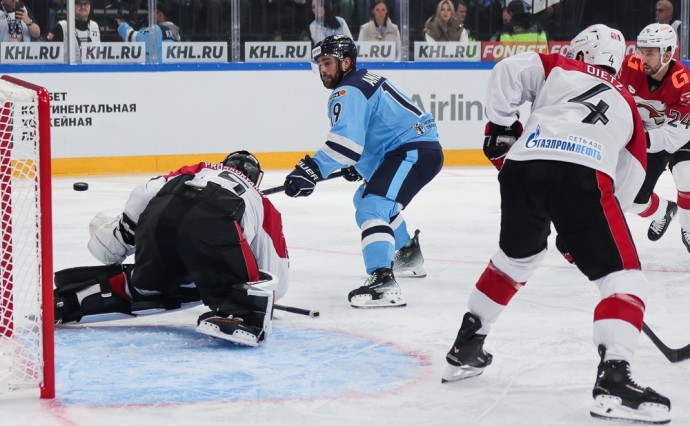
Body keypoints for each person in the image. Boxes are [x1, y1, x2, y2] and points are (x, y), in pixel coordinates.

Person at [441, 24, 671, 424]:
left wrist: (500, 126)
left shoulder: (557, 65)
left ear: (581, 53)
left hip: (522, 170)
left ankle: (467, 345)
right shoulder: (628, 105)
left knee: (516, 259)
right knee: (624, 278)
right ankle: (614, 377)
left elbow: (507, 72)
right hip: (583, 177)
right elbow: (630, 189)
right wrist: (578, 229)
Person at [53, 151, 290, 347]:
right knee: (233, 287)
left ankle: (70, 300)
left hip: (160, 216)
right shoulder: (261, 202)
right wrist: (254, 292)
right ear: (256, 178)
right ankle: (242, 314)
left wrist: (121, 238)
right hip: (215, 225)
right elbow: (276, 276)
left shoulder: (199, 168)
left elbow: (145, 192)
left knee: (148, 285)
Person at [283, 35, 443, 309]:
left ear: (346, 62)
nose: (322, 69)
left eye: (328, 62)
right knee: (366, 198)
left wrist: (311, 170)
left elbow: (345, 144)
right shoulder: (363, 79)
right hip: (415, 148)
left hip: (411, 151)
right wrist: (358, 166)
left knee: (373, 206)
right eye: (319, 63)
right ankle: (407, 255)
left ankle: (383, 282)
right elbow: (377, 129)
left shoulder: (348, 91)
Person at [618, 23, 690, 251]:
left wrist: (637, 140)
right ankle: (664, 211)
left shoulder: (684, 83)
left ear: (668, 53)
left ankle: (688, 228)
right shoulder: (628, 66)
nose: (643, 57)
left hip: (679, 134)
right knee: (633, 201)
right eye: (641, 50)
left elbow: (673, 137)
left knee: (686, 173)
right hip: (645, 135)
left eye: (650, 52)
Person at [116, 1, 181, 63]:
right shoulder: (175, 31)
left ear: (160, 15)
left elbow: (133, 38)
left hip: (153, 72)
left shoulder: (157, 29)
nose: (148, 15)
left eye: (151, 12)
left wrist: (121, 25)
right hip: (170, 71)